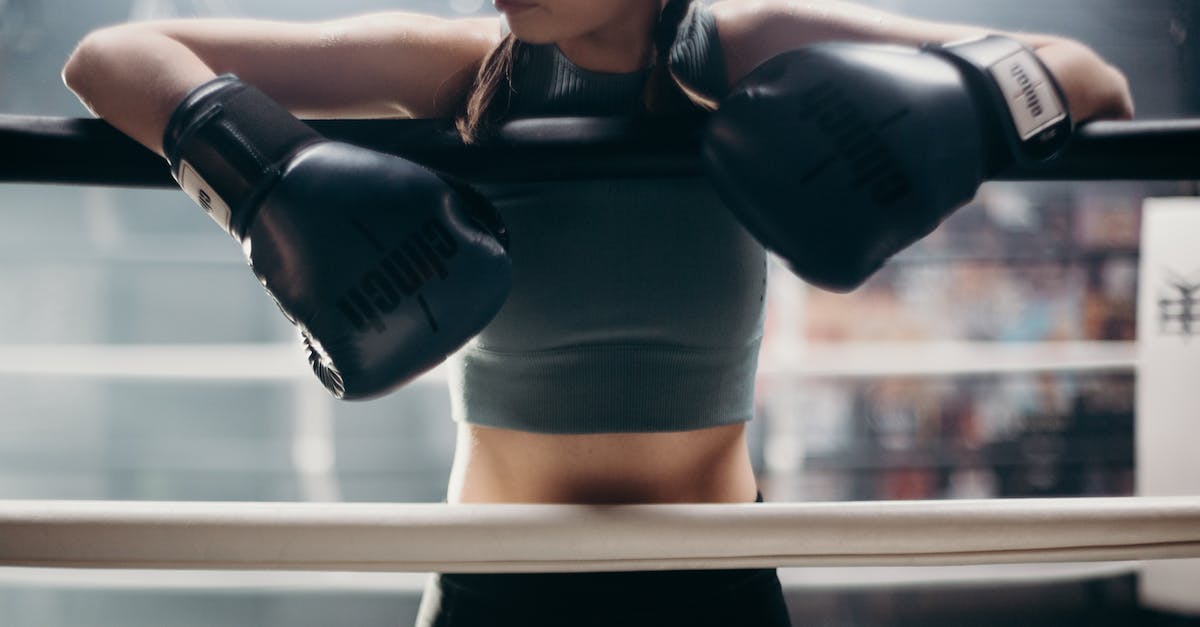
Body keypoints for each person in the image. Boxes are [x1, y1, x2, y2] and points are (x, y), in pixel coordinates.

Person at [61, 1, 1134, 625]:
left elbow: (1090, 78)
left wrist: (965, 114)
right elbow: (108, 59)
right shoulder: (462, 68)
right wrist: (274, 173)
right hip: (499, 574)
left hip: (709, 574)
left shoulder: (741, 48)